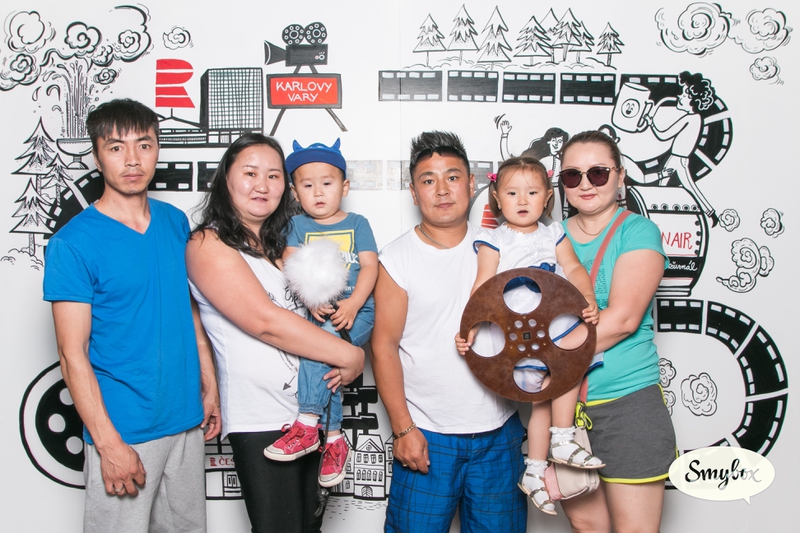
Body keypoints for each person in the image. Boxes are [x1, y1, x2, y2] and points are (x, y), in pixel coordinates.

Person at [42, 98, 221, 533]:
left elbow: (188, 309)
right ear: (97, 156)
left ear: (157, 150)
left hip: (185, 419)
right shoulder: (73, 243)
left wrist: (209, 381)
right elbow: (71, 353)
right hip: (124, 428)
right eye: (116, 147)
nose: (133, 159)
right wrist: (108, 444)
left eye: (144, 145)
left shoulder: (174, 222)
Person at [186, 133, 364, 533]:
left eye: (273, 175)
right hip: (261, 418)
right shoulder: (208, 242)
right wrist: (350, 355)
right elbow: (266, 321)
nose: (262, 185)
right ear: (226, 180)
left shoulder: (282, 246)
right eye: (250, 173)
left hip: (311, 416)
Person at [371, 131, 527, 533]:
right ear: (413, 192)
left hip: (499, 433)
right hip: (427, 433)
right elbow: (384, 346)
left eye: (453, 177)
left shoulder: (502, 247)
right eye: (428, 180)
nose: (442, 190)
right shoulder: (397, 258)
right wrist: (403, 429)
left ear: (472, 184)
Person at [454, 156, 603, 516]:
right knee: (547, 389)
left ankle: (536, 470)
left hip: (553, 320)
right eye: (512, 193)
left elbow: (573, 267)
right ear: (496, 197)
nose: (522, 200)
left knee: (552, 387)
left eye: (532, 192)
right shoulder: (493, 239)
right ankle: (561, 439)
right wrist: (468, 328)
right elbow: (483, 287)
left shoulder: (554, 233)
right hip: (518, 329)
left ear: (548, 197)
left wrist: (587, 297)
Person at [556, 130, 677, 533]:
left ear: (620, 176)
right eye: (572, 175)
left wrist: (546, 355)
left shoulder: (638, 232)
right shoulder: (547, 238)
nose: (585, 183)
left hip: (628, 404)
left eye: (598, 172)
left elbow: (624, 318)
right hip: (564, 415)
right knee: (586, 526)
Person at [263, 139, 377, 490]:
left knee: (319, 349)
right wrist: (309, 298)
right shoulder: (297, 225)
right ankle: (334, 439)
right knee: (326, 361)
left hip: (356, 312)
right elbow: (289, 263)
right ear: (295, 193)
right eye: (308, 185)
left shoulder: (358, 223)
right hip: (319, 311)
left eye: (327, 183)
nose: (318, 192)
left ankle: (308, 421)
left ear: (344, 187)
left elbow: (370, 267)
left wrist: (355, 303)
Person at [644, 71, 718, 225]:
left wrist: (651, 123)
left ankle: (709, 213)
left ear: (693, 100)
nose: (679, 96)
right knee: (668, 186)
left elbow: (664, 135)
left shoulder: (690, 119)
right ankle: (709, 213)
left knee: (678, 187)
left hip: (678, 159)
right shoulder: (696, 118)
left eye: (684, 94)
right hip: (677, 159)